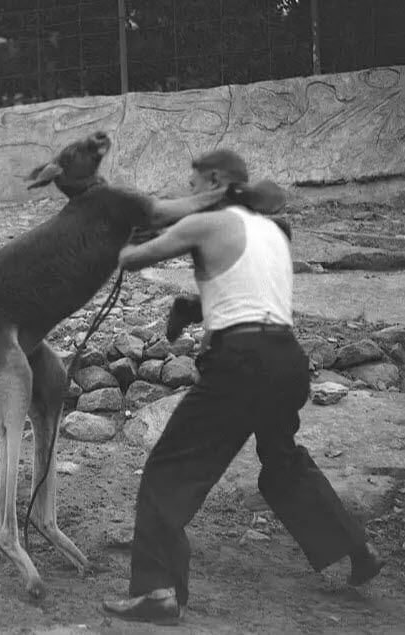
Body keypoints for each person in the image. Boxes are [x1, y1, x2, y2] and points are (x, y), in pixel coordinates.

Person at [101, 149, 385, 625]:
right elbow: (248, 287)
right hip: (287, 360)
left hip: (242, 364)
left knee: (168, 471)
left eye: (194, 186)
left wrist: (137, 223)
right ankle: (357, 547)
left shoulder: (208, 223)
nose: (189, 194)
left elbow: (130, 258)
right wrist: (195, 305)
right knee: (283, 462)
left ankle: (157, 591)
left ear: (213, 182)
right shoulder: (272, 230)